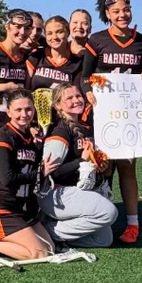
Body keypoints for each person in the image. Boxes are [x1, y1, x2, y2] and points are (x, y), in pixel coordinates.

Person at [81, 0, 142, 244]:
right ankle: (100, 218)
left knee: (127, 166)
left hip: (129, 114)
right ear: (107, 14)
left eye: (125, 10)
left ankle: (133, 223)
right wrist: (88, 91)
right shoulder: (97, 40)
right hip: (103, 113)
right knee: (103, 165)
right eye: (116, 11)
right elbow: (84, 76)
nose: (122, 15)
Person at [0, 89, 54, 260]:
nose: (24, 114)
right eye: (18, 110)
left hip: (18, 209)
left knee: (50, 247)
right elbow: (8, 178)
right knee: (40, 254)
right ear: (8, 111)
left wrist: (39, 147)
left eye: (28, 109)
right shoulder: (3, 138)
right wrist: (40, 174)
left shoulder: (30, 136)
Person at [39, 83, 118, 248]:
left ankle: (55, 230)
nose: (76, 100)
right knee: (108, 212)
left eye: (78, 96)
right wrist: (81, 161)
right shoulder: (58, 131)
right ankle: (46, 230)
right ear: (57, 105)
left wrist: (99, 166)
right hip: (55, 194)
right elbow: (49, 175)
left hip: (80, 191)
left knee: (103, 240)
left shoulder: (86, 128)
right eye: (69, 98)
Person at [27, 16, 84, 89]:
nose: (54, 37)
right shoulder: (36, 57)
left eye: (59, 32)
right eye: (49, 33)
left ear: (68, 33)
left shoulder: (77, 62)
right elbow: (25, 89)